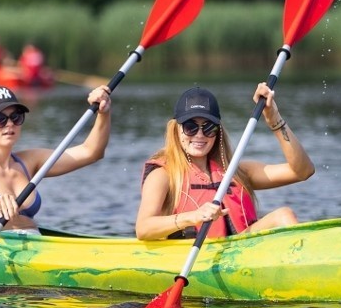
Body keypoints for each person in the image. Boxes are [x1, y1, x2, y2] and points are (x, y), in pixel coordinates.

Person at [135, 83, 314, 241]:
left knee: (284, 215)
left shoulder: (237, 172)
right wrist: (192, 217)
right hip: (192, 256)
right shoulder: (163, 175)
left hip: (240, 251)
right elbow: (143, 229)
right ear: (176, 130)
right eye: (190, 127)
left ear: (218, 132)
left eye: (208, 127)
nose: (199, 135)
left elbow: (302, 171)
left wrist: (274, 118)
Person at [0, 84, 112, 234]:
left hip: (34, 243)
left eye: (16, 117)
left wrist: (103, 113)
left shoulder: (30, 161)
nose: (9, 124)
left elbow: (91, 152)